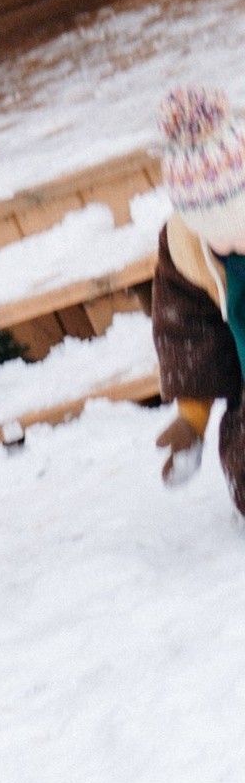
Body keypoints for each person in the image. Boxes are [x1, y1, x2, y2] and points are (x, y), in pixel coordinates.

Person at [152, 82, 245, 514]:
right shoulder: (186, 253)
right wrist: (192, 420)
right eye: (220, 241)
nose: (234, 248)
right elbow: (189, 337)